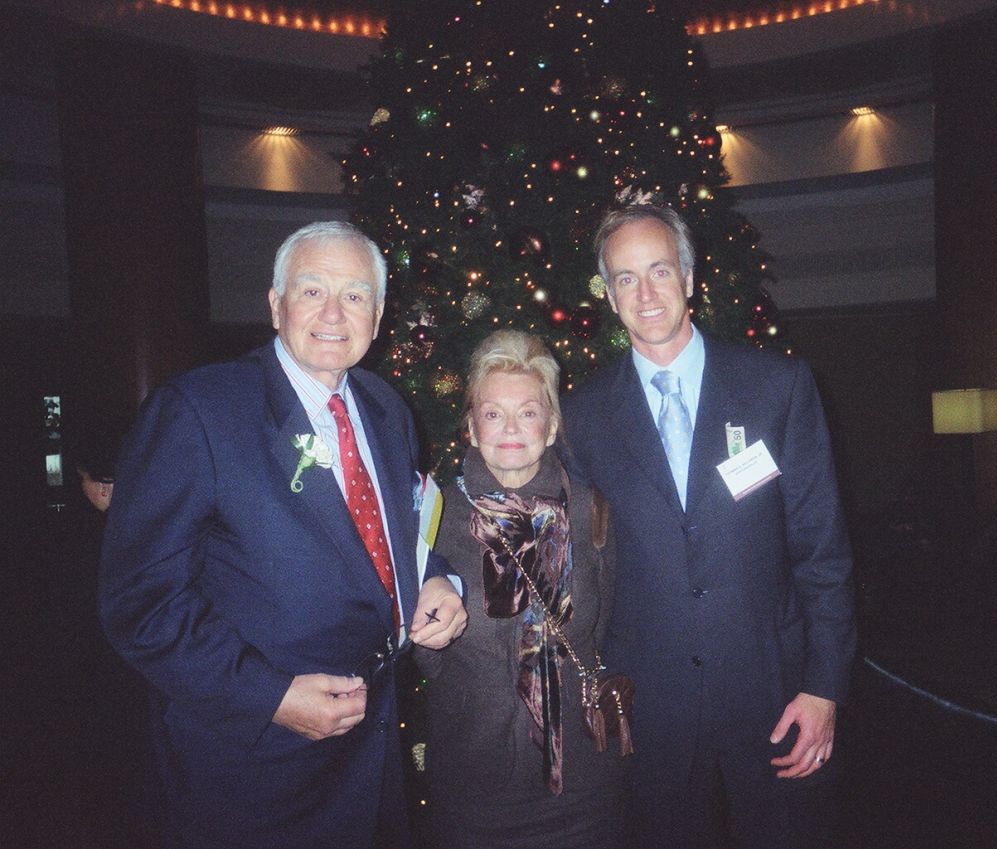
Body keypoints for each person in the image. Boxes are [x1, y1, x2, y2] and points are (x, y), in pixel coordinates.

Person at [99, 221, 467, 849]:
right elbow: (140, 602)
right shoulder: (200, 410)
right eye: (312, 290)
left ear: (378, 316)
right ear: (275, 305)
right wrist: (269, 696)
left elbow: (392, 534)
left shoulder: (387, 409)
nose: (334, 313)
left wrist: (435, 578)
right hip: (254, 764)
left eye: (355, 295)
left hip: (374, 745)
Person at [561, 203, 856, 849]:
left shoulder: (777, 387)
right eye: (626, 278)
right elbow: (576, 564)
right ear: (608, 295)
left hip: (774, 691)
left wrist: (824, 687)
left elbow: (822, 551)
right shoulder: (581, 416)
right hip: (650, 706)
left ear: (690, 278)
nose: (646, 293)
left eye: (660, 270)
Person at [414, 329, 629, 848]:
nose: (510, 428)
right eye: (493, 413)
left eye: (528, 412)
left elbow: (605, 626)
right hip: (472, 781)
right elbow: (422, 651)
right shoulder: (433, 515)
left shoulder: (592, 510)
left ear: (551, 426)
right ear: (471, 426)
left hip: (583, 782)